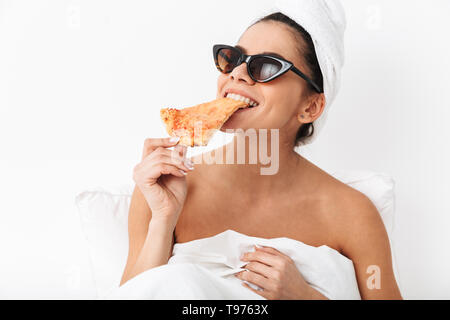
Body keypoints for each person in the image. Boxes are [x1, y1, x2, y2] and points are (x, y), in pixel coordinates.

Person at [119, 10, 402, 300]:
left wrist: (305, 297)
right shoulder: (162, 189)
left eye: (266, 66)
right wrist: (163, 220)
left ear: (310, 107)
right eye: (232, 59)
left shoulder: (353, 214)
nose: (237, 74)